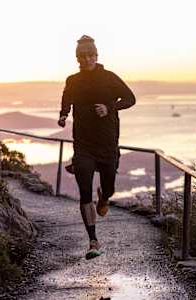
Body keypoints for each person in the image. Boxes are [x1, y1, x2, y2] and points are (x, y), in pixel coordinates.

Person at [57, 35, 136, 259]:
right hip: (83, 144)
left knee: (109, 187)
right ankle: (93, 241)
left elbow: (130, 98)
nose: (87, 59)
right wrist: (63, 115)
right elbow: (67, 99)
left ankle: (104, 197)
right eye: (83, 56)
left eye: (91, 55)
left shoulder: (109, 78)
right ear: (78, 58)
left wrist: (110, 107)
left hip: (107, 143)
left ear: (97, 55)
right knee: (84, 189)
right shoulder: (72, 80)